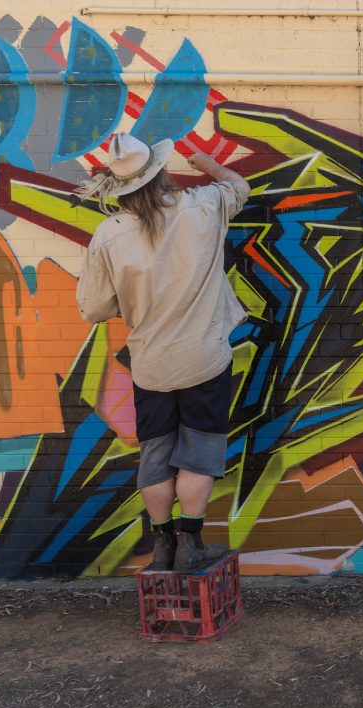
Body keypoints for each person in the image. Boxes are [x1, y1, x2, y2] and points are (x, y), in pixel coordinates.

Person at [75, 132, 250, 572]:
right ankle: (191, 543)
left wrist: (132, 298)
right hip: (204, 357)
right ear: (161, 172)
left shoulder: (109, 234)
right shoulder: (202, 206)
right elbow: (239, 186)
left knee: (155, 453)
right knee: (199, 450)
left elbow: (93, 308)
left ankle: (162, 547)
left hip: (150, 365)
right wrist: (207, 162)